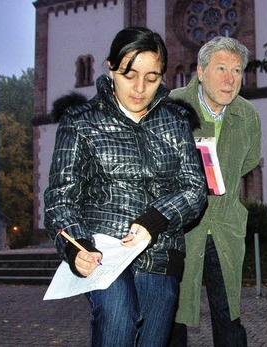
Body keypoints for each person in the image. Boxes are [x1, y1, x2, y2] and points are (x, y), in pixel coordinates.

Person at [43, 27, 208, 346]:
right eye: (129, 74)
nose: (139, 87)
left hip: (160, 254)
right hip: (103, 253)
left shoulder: (175, 121)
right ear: (110, 68)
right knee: (118, 316)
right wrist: (76, 244)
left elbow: (194, 189)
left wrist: (153, 222)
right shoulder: (80, 121)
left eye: (152, 76)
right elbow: (60, 198)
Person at [168, 36, 261, 347]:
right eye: (221, 68)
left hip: (225, 227)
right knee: (173, 315)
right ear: (201, 70)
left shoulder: (248, 115)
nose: (229, 79)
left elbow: (248, 161)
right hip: (180, 230)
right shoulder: (172, 105)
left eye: (237, 71)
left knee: (229, 315)